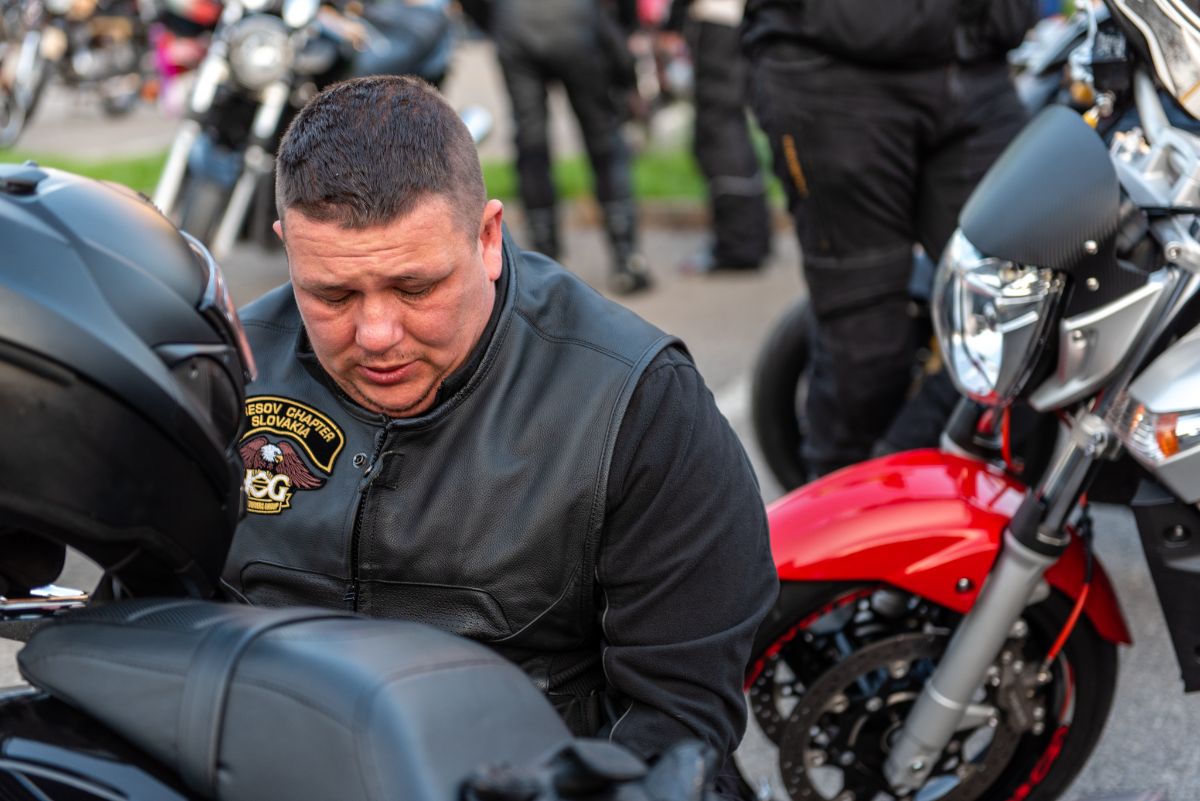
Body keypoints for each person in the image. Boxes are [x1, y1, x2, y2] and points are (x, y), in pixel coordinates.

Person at [221, 75, 777, 787]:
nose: (376, 333)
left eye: (416, 287)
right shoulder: (224, 369)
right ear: (287, 249)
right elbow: (147, 624)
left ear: (488, 237)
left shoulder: (635, 402)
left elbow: (678, 723)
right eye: (332, 294)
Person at [742, 0, 1037, 476]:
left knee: (1031, 314)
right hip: (833, 68)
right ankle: (853, 504)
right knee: (866, 353)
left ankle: (897, 474)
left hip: (977, 62)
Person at [460, 0, 653, 295]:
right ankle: (628, 259)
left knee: (532, 144)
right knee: (603, 138)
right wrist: (627, 25)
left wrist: (496, 20)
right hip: (578, 18)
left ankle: (542, 265)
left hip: (515, 23)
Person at [663, 0, 771, 274]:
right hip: (740, 19)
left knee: (718, 128)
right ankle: (754, 237)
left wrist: (673, 23)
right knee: (730, 123)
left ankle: (738, 245)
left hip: (717, 22)